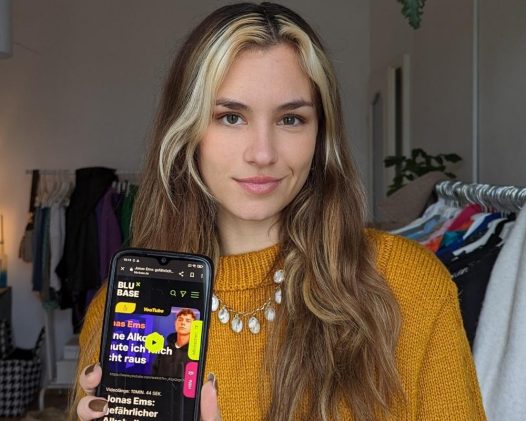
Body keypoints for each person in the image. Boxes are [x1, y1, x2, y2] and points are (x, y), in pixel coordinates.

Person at [72, 2, 485, 421]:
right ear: (186, 132)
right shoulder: (121, 314)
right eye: (231, 117)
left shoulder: (410, 286)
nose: (262, 153)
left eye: (290, 119)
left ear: (321, 134)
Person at [151, 308, 197, 378]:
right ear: (175, 323)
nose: (183, 323)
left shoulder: (196, 353)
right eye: (180, 319)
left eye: (188, 321)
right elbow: (154, 375)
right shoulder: (164, 350)